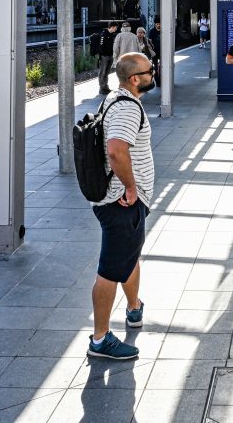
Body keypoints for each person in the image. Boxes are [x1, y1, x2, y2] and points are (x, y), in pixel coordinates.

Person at [88, 52, 156, 361]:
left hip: (124, 200)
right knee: (109, 270)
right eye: (149, 70)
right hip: (122, 201)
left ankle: (133, 308)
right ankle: (100, 340)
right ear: (135, 79)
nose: (153, 72)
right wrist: (131, 187)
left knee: (129, 255)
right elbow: (116, 151)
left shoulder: (116, 98)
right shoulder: (128, 109)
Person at [97, 20, 119, 94]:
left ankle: (105, 87)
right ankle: (102, 88)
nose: (116, 29)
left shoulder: (111, 34)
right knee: (102, 72)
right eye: (115, 27)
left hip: (110, 56)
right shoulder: (104, 34)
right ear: (112, 27)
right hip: (104, 57)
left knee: (106, 72)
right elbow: (101, 46)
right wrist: (105, 54)